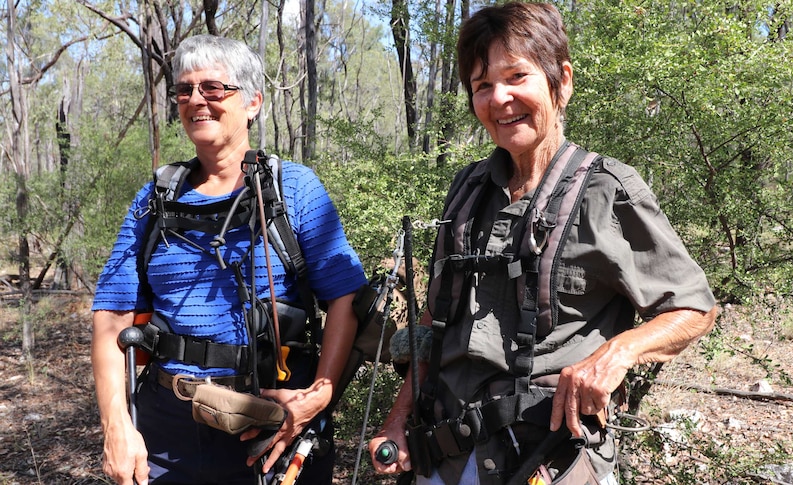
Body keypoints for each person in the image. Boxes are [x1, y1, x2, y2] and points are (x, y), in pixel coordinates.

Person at [369, 3, 717, 484]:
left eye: (517, 76)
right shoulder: (467, 191)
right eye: (482, 85)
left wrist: (614, 355)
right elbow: (436, 323)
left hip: (553, 462)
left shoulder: (607, 191)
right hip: (446, 461)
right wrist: (398, 419)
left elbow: (694, 309)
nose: (500, 98)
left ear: (562, 81)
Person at [91, 34, 367, 485]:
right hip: (167, 431)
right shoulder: (154, 199)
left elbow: (346, 295)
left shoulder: (292, 189)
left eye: (213, 88)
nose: (196, 100)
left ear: (253, 102)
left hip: (272, 429)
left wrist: (318, 396)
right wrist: (117, 427)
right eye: (184, 90)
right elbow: (110, 315)